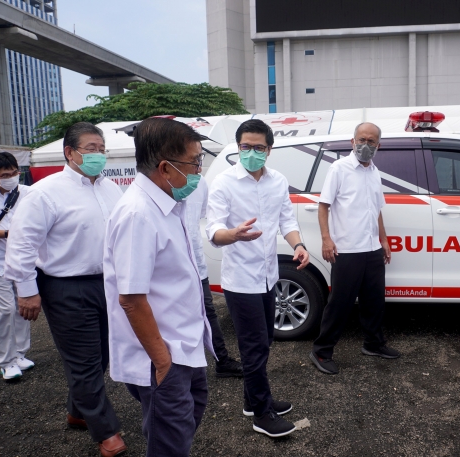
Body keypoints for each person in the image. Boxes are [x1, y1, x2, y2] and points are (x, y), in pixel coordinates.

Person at [5, 122, 126, 457]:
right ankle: (106, 431)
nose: (98, 155)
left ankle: (77, 410)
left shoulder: (111, 188)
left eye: (102, 149)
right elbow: (22, 245)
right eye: (90, 148)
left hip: (106, 284)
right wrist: (26, 290)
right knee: (85, 361)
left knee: (101, 355)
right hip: (65, 287)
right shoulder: (45, 192)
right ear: (69, 152)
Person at [105, 117, 215, 457]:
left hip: (183, 343)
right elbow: (131, 299)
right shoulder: (138, 213)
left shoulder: (168, 203)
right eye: (195, 162)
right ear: (166, 168)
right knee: (171, 441)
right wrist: (163, 362)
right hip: (163, 354)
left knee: (181, 425)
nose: (199, 170)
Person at [206, 119, 309, 438]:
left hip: (268, 276)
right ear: (238, 147)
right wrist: (232, 235)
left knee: (264, 341)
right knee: (253, 347)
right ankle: (261, 415)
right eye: (245, 147)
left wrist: (299, 244)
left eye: (259, 147)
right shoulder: (223, 183)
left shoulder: (278, 180)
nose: (251, 152)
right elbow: (213, 230)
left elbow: (286, 219)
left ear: (269, 149)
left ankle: (253, 400)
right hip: (240, 281)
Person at [310, 122, 399, 376]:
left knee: (374, 301)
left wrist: (383, 240)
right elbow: (324, 206)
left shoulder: (374, 171)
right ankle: (321, 350)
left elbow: (377, 209)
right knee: (340, 303)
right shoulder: (339, 168)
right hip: (346, 249)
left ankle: (373, 344)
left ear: (378, 146)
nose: (365, 145)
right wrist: (327, 240)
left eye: (371, 141)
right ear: (352, 141)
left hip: (371, 248)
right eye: (361, 139)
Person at [0, 152, 33, 381]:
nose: (12, 177)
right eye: (6, 175)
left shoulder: (27, 193)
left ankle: (20, 354)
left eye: (15, 172)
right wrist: (8, 234)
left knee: (23, 309)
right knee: (6, 310)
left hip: (22, 260)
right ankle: (7, 361)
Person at [186, 176, 243, 378]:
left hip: (196, 263)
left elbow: (205, 217)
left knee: (208, 313)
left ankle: (222, 360)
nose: (198, 166)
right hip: (172, 269)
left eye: (199, 159)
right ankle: (180, 367)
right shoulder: (162, 184)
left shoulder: (199, 182)